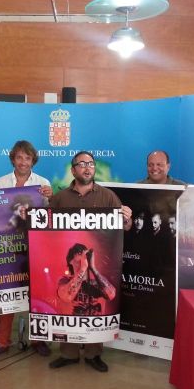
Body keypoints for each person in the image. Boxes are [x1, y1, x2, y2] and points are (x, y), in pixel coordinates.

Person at [48, 151, 132, 373]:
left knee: (96, 309)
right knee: (70, 310)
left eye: (91, 164)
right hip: (72, 271)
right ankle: (68, 354)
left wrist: (127, 219)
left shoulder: (108, 196)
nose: (87, 168)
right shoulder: (60, 198)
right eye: (82, 164)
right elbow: (44, 226)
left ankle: (94, 354)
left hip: (96, 271)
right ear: (73, 170)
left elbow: (124, 228)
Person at [0, 140, 53, 360]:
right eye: (19, 157)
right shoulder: (0, 182)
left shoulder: (43, 183)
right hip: (7, 246)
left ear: (33, 160)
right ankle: (1, 341)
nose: (23, 162)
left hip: (35, 246)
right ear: (13, 159)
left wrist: (51, 197)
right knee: (8, 292)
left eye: (28, 158)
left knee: (38, 293)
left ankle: (39, 339)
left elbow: (49, 217)